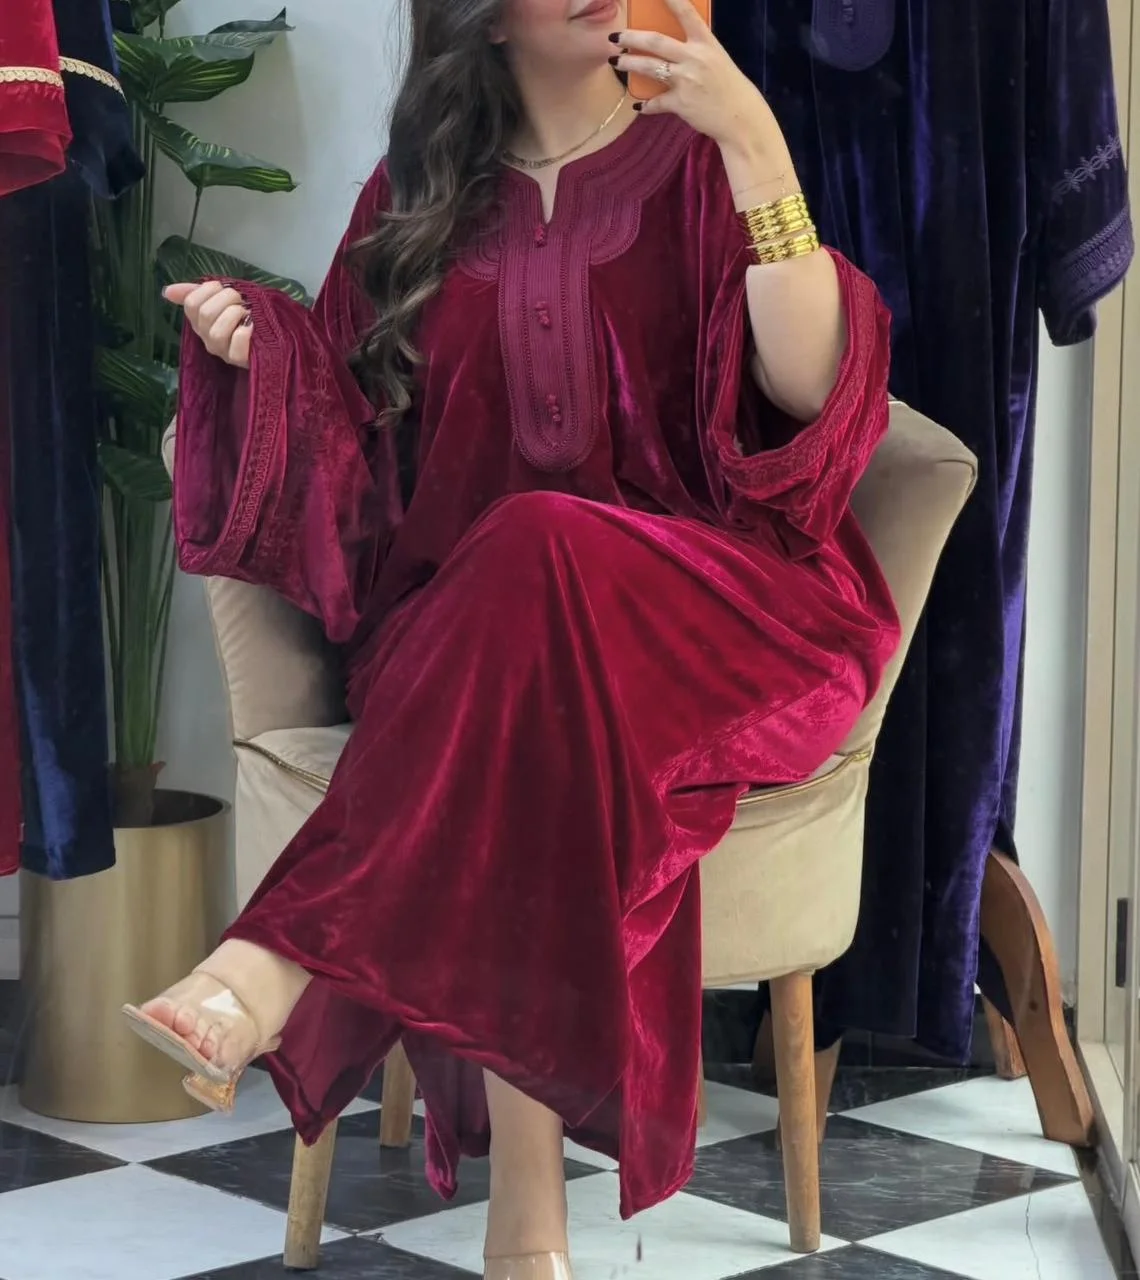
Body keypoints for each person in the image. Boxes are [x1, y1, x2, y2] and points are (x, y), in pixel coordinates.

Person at [122, 1, 899, 1275]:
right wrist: (267, 353)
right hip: (473, 639)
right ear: (483, 21)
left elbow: (815, 398)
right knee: (532, 626)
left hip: (714, 621)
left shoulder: (701, 157)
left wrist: (757, 145)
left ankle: (272, 959)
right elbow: (355, 462)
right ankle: (525, 1217)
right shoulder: (413, 197)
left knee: (543, 549)